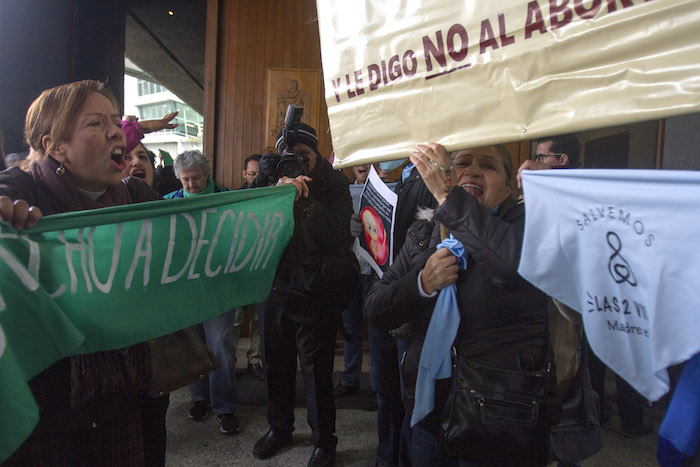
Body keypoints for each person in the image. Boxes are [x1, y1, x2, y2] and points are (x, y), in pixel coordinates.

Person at [0, 79, 174, 465]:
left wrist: (276, 191)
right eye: (96, 123)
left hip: (121, 399)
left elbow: (207, 227)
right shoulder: (20, 190)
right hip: (43, 413)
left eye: (115, 119)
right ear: (55, 146)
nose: (116, 130)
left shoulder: (134, 196)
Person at [366, 143, 550, 465]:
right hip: (430, 411)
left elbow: (510, 266)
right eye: (462, 163)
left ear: (509, 188)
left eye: (489, 166)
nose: (473, 171)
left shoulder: (526, 230)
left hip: (497, 416)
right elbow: (376, 307)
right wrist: (421, 283)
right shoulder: (423, 234)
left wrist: (452, 200)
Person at [251, 123, 353, 466]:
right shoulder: (273, 177)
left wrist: (308, 203)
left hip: (317, 291)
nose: (299, 164)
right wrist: (262, 185)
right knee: (275, 366)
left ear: (317, 153)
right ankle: (279, 430)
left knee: (317, 373)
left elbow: (339, 236)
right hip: (275, 287)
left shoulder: (335, 183)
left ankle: (324, 441)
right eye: (291, 157)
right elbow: (247, 220)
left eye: (305, 157)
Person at [164, 150, 241, 435]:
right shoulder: (168, 203)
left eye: (196, 178)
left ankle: (225, 407)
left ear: (207, 175)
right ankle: (199, 399)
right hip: (185, 289)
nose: (191, 185)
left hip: (218, 287)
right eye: (185, 180)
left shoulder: (226, 197)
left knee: (221, 347)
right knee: (193, 347)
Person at [334, 163, 372, 399]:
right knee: (351, 328)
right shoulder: (343, 194)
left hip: (376, 272)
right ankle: (350, 379)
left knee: (378, 330)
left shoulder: (388, 192)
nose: (362, 166)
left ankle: (379, 387)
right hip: (351, 268)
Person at [236, 153, 265, 381]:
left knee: (258, 318)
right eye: (252, 174)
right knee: (235, 319)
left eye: (260, 174)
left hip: (261, 265)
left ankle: (255, 360)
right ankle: (229, 361)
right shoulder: (234, 199)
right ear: (245, 174)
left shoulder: (271, 197)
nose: (256, 178)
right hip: (237, 267)